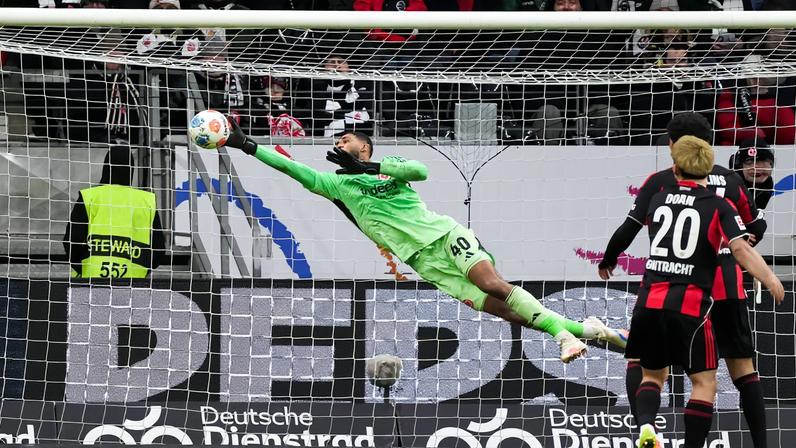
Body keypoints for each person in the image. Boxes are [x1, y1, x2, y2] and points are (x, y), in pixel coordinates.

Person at [224, 122, 628, 363]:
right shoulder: (337, 184)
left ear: (362, 146)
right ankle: (587, 329)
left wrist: (371, 166)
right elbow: (292, 168)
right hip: (424, 262)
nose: (338, 144)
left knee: (492, 284)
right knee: (507, 313)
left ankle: (564, 336)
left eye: (345, 139)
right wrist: (246, 145)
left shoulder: (389, 169)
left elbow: (421, 171)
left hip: (445, 235)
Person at [598, 112, 774, 448]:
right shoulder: (731, 182)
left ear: (672, 147)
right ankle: (762, 444)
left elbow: (628, 228)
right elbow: (756, 227)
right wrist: (746, 246)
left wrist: (608, 259)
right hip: (727, 287)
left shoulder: (661, 182)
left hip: (678, 289)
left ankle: (645, 430)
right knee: (741, 370)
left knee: (648, 366)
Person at [63, 145, 166, 278]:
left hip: (91, 283)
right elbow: (158, 249)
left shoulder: (90, 197)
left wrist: (82, 267)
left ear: (106, 167)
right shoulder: (146, 200)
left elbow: (71, 241)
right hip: (134, 284)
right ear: (131, 169)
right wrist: (141, 269)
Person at [729, 138, 775, 210]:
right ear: (739, 166)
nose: (755, 167)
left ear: (771, 164)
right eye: (749, 162)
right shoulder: (732, 185)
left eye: (762, 161)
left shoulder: (767, 183)